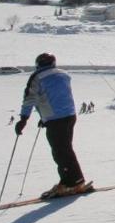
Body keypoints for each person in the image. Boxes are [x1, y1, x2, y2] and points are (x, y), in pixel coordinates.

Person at [16, 53, 89, 199]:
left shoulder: (37, 77)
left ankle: (71, 183)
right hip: (70, 116)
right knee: (66, 149)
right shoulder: (63, 74)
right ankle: (74, 181)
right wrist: (45, 117)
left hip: (55, 119)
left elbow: (30, 99)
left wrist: (23, 119)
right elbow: (57, 96)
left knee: (60, 152)